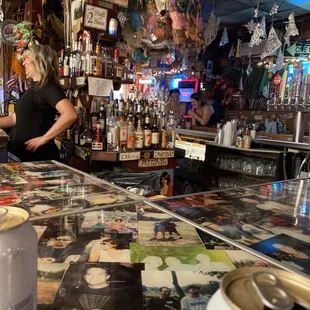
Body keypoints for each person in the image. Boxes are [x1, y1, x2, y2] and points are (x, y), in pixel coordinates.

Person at [0, 45, 77, 161]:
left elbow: (70, 114)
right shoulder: (33, 88)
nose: (23, 62)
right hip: (22, 157)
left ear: (39, 61)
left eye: (27, 58)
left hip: (38, 159)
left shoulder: (48, 87)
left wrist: (44, 138)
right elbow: (15, 119)